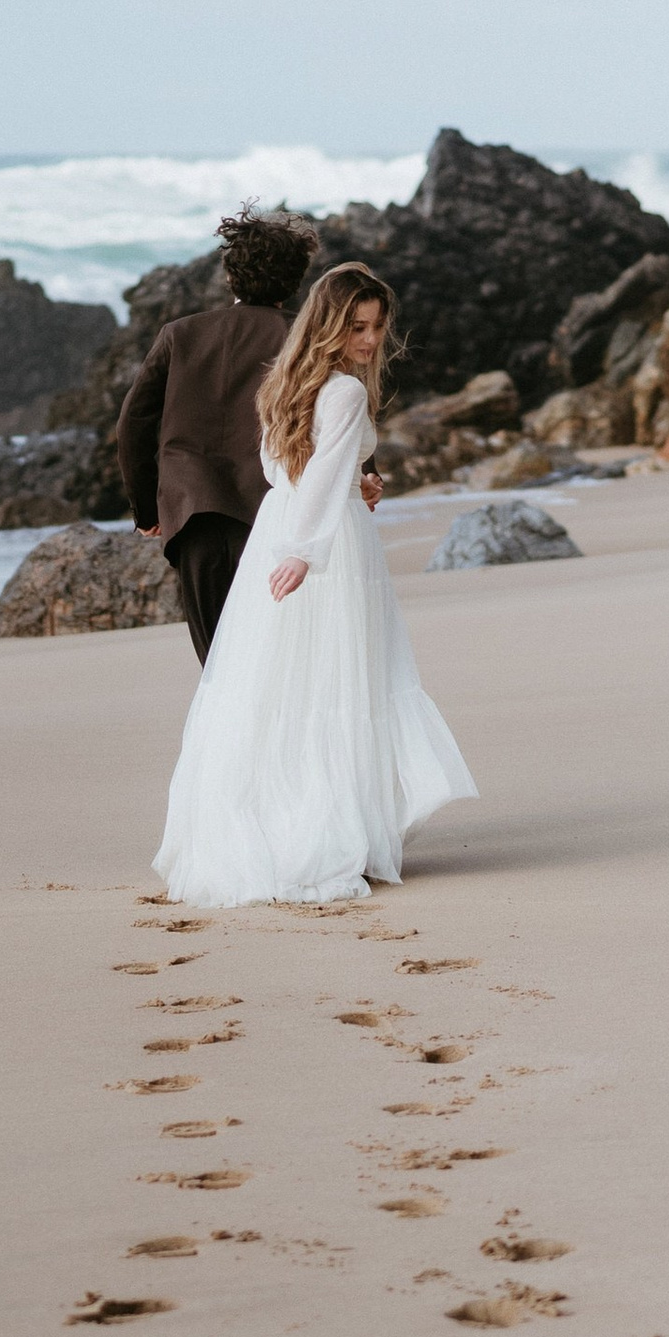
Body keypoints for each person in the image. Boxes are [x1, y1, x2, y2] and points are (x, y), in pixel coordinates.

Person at [155, 262, 476, 909]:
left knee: (286, 682)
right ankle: (331, 829)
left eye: (378, 326)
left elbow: (291, 469)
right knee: (339, 678)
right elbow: (323, 474)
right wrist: (306, 551)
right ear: (329, 324)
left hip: (284, 526)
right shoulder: (348, 393)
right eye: (358, 325)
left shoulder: (286, 383)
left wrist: (356, 483)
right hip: (323, 545)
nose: (370, 338)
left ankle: (293, 817)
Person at [116, 205, 326, 663]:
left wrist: (147, 508)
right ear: (296, 281)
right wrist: (365, 473)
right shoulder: (302, 339)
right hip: (275, 514)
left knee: (219, 666)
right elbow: (333, 414)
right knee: (279, 662)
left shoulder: (180, 334)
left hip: (195, 515)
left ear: (231, 277)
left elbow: (132, 424)